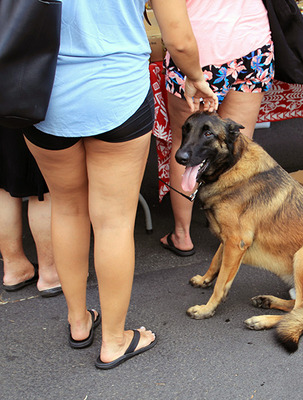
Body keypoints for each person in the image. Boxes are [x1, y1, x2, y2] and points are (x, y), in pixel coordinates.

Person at [24, 0, 218, 369]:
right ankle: (114, 339)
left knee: (65, 207)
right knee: (113, 221)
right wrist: (195, 77)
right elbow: (178, 39)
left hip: (41, 90)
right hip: (117, 91)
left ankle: (79, 321)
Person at [159, 0, 273, 256]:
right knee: (238, 145)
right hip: (251, 43)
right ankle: (233, 233)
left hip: (195, 48)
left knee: (185, 143)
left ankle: (182, 235)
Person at [0, 128, 61, 297]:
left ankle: (14, 267)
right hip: (30, 109)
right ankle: (50, 273)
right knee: (42, 185)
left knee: (3, 183)